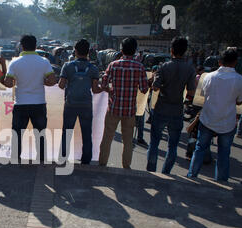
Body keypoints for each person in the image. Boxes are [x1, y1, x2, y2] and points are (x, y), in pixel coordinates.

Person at [188, 49, 242, 182]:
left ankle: (192, 176)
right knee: (223, 154)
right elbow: (239, 101)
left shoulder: (208, 77)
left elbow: (202, 96)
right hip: (227, 122)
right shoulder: (241, 80)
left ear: (220, 62)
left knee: (200, 149)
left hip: (207, 118)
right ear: (235, 62)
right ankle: (221, 181)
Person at [146, 37, 197, 174]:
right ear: (185, 51)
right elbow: (191, 91)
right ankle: (166, 172)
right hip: (177, 110)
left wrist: (158, 80)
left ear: (171, 50)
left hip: (162, 108)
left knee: (154, 143)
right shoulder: (190, 69)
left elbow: (155, 88)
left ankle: (151, 171)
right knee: (173, 145)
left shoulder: (164, 67)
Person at [4, 35, 57, 162]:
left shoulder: (15, 62)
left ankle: (16, 159)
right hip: (39, 103)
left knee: (17, 134)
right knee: (40, 134)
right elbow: (52, 81)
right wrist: (41, 81)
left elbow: (8, 82)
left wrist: (17, 81)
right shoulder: (44, 61)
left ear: (22, 46)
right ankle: (41, 160)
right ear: (35, 45)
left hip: (20, 103)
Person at [98, 37, 148, 169]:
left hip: (113, 108)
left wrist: (110, 90)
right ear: (135, 50)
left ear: (121, 50)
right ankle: (126, 166)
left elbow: (103, 84)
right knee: (128, 141)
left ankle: (102, 163)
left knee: (107, 138)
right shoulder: (140, 67)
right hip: (130, 110)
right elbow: (144, 89)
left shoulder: (113, 65)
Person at [58, 39, 102, 164]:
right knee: (87, 133)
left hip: (70, 104)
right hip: (86, 105)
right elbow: (95, 89)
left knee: (67, 132)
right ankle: (86, 159)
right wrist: (104, 89)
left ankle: (63, 158)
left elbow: (61, 85)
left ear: (75, 51)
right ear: (88, 52)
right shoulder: (93, 68)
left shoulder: (67, 66)